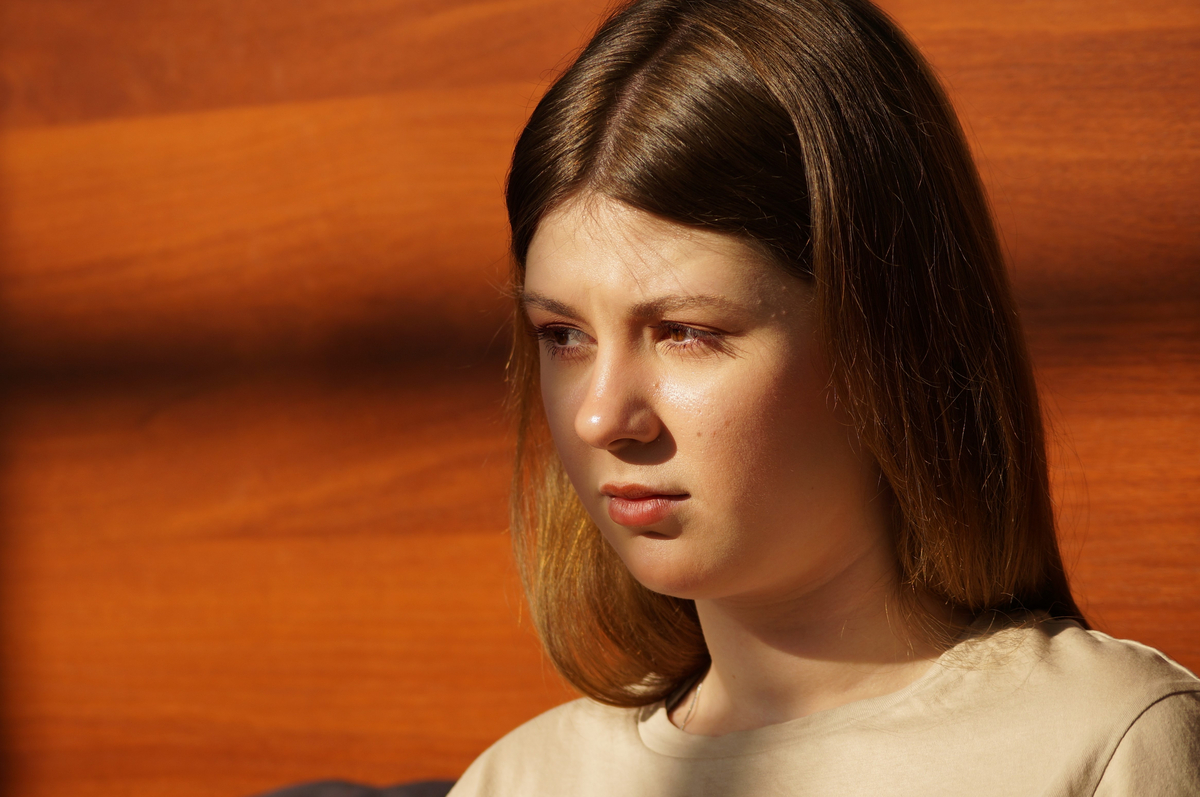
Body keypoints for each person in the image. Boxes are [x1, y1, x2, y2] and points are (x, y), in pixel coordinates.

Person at [448, 0, 1200, 794]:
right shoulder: (517, 780)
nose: (600, 416)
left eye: (685, 331)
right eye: (564, 334)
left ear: (889, 337)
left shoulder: (1103, 745)